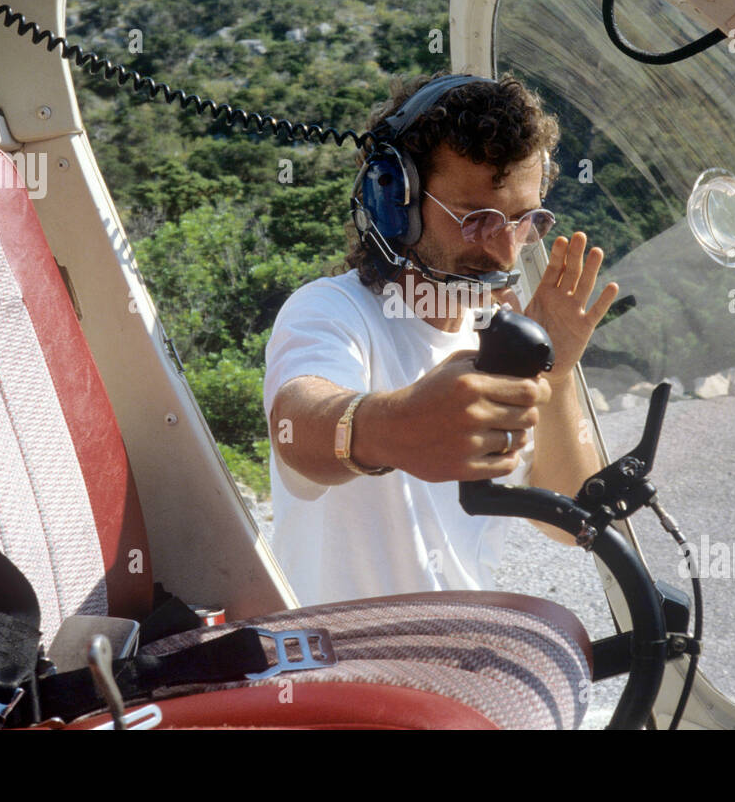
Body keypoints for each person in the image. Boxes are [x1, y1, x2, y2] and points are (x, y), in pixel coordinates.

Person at [263, 72, 619, 605]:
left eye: (524, 222)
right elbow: (297, 429)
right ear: (394, 202)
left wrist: (555, 372)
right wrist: (394, 427)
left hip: (450, 653)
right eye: (476, 220)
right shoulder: (330, 310)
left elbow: (572, 522)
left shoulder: (502, 335)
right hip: (333, 660)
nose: (504, 252)